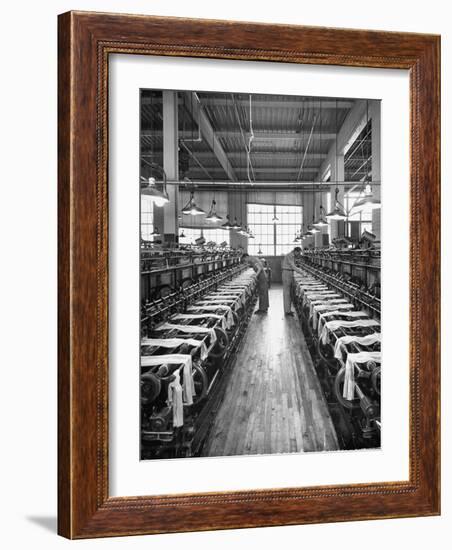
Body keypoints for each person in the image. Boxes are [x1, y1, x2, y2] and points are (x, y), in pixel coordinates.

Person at [281, 247, 304, 317]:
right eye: (299, 253)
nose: (299, 254)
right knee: (287, 293)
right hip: (287, 273)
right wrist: (302, 273)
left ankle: (288, 310)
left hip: (289, 272)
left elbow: (293, 266)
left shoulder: (291, 255)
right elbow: (293, 267)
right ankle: (287, 311)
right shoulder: (290, 256)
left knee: (289, 292)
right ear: (296, 251)